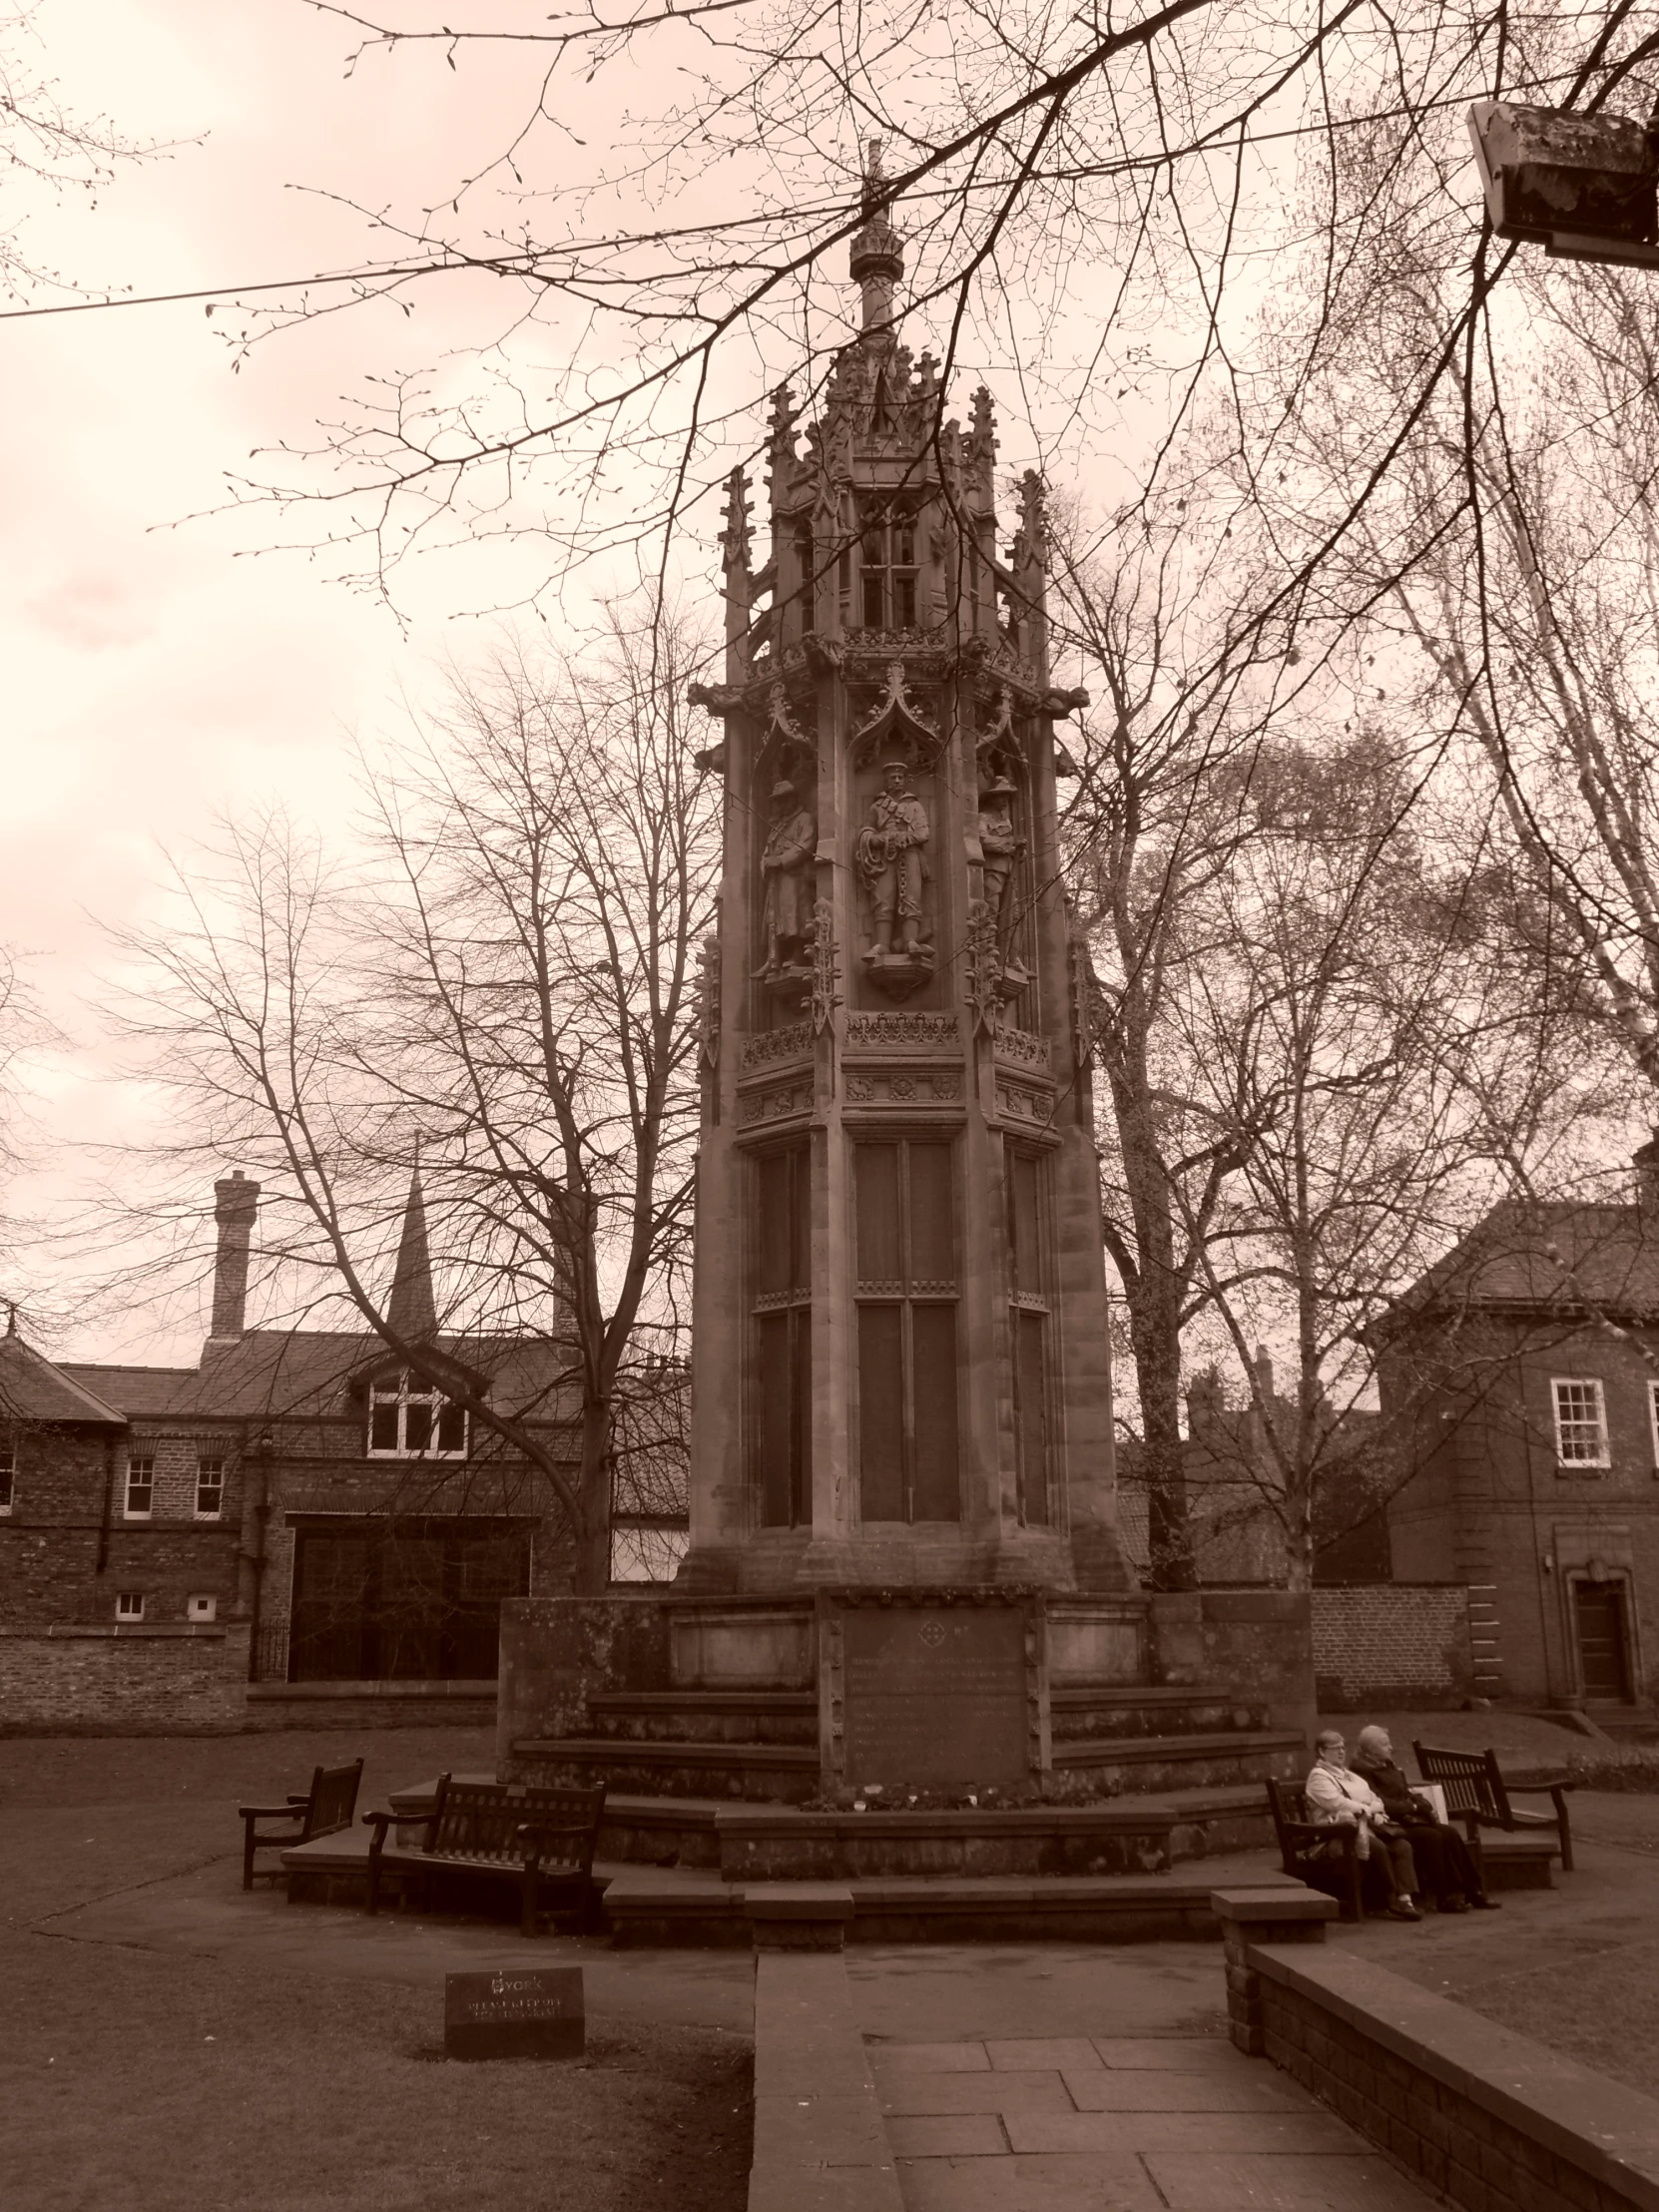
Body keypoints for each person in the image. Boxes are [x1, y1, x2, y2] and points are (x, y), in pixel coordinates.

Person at [1350, 1725, 1499, 1913]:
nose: (1391, 1747)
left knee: (1450, 1833)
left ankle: (1473, 1890)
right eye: (1385, 1744)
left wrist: (1419, 1803)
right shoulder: (1361, 1773)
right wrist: (1411, 1806)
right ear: (1371, 1751)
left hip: (1409, 1819)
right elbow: (1381, 1802)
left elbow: (1405, 1791)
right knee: (1432, 1837)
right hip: (1390, 1825)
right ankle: (1445, 1897)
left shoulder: (1387, 1765)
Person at [1302, 1729, 1422, 1920]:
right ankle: (1390, 1900)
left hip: (1362, 1830)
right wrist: (1368, 1809)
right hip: (1335, 1836)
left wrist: (1373, 1808)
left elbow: (1375, 1798)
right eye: (1335, 1749)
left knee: (1401, 1845)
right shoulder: (1319, 1776)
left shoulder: (1349, 1775)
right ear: (1322, 1752)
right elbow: (1337, 1803)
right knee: (1379, 1847)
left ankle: (1405, 1899)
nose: (1341, 1752)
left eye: (1342, 1747)